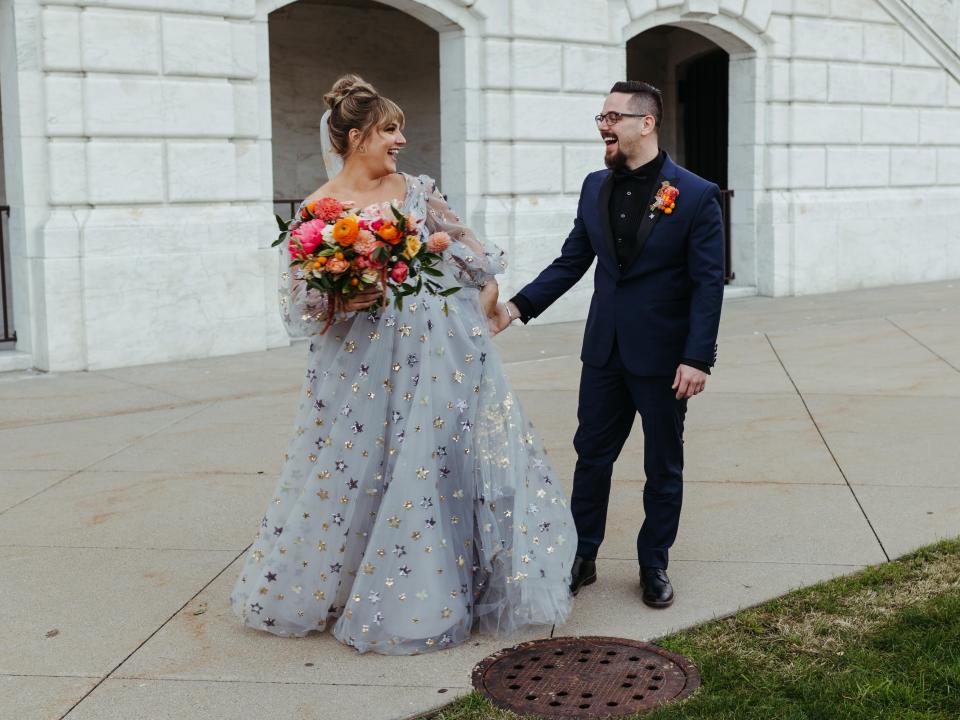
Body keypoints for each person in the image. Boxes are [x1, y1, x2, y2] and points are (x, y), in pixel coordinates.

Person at [230, 75, 575, 654]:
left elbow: (464, 246)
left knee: (435, 458)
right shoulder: (318, 211)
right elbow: (300, 303)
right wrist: (342, 297)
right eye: (390, 129)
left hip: (439, 349)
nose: (399, 141)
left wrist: (486, 287)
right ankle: (356, 586)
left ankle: (454, 584)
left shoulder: (414, 188)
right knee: (363, 464)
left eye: (400, 130)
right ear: (358, 135)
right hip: (360, 360)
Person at [490, 81, 724, 609]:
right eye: (601, 117)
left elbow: (708, 284)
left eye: (614, 117)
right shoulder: (595, 184)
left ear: (646, 123)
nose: (604, 126)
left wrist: (697, 357)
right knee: (591, 456)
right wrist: (516, 308)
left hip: (665, 360)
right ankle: (582, 555)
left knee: (663, 464)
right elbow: (574, 259)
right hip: (603, 353)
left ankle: (654, 563)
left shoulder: (695, 194)